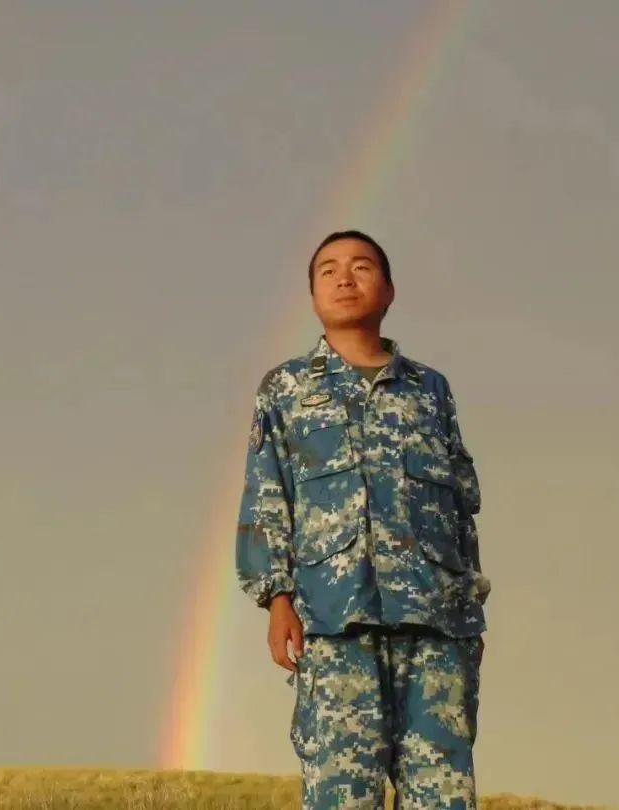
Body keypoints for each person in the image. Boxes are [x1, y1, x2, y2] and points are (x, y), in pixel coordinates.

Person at [235, 230, 491, 809]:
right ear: (312, 295)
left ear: (390, 289)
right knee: (340, 796)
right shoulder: (287, 389)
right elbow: (266, 494)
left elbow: (461, 506)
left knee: (444, 794)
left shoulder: (430, 391)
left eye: (361, 266)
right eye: (328, 270)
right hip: (334, 622)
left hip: (436, 626)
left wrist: (471, 614)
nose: (345, 279)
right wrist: (276, 598)